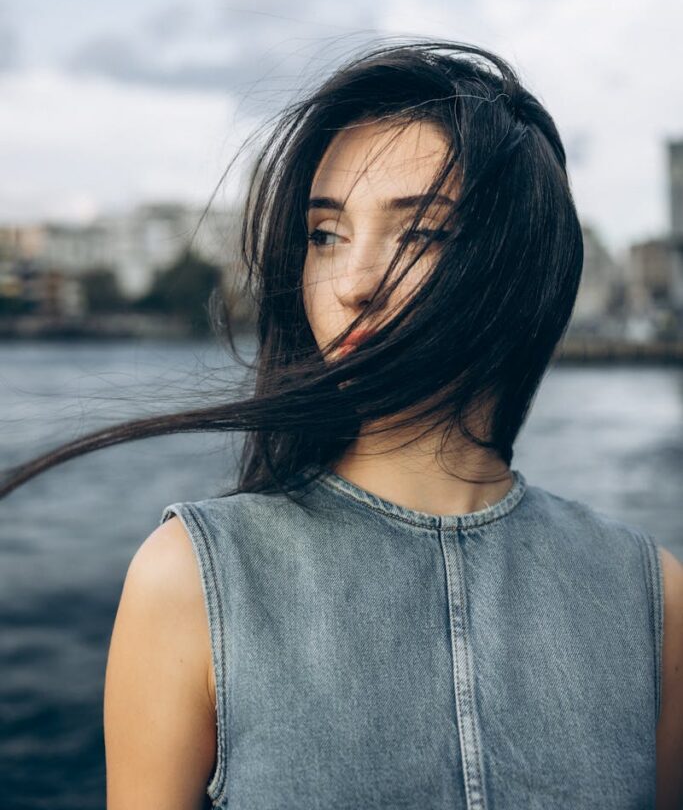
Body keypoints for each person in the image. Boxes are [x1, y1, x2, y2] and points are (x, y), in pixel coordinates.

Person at [3, 41, 681, 808]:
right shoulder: (189, 578)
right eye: (326, 234)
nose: (353, 282)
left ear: (517, 264)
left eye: (422, 233)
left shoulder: (647, 594)